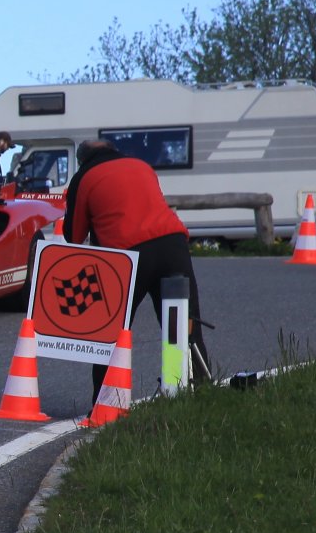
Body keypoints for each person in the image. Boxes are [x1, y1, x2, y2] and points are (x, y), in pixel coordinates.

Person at [64, 138, 211, 400]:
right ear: (113, 149)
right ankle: (193, 392)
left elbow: (73, 236)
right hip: (173, 245)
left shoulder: (84, 176)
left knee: (111, 333)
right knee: (182, 325)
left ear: (81, 160)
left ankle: (107, 402)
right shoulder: (141, 165)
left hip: (127, 256)